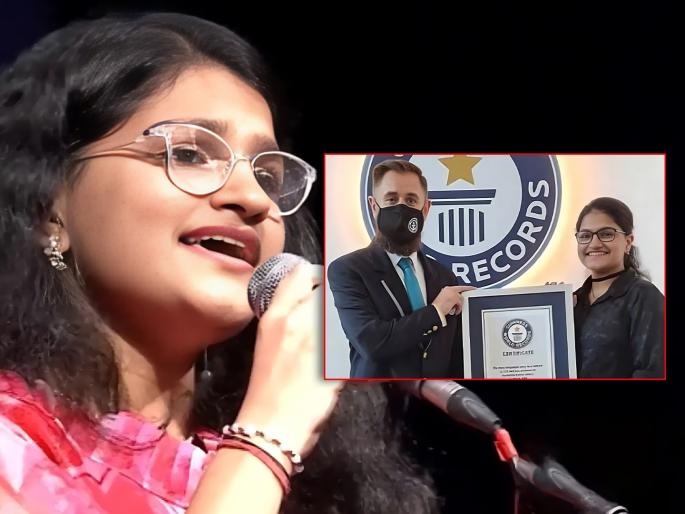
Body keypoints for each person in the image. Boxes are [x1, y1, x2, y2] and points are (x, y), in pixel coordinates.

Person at [0, 13, 440, 513]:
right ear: (49, 206)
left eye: (268, 177)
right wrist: (266, 438)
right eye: (190, 154)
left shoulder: (314, 483)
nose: (253, 198)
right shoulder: (13, 453)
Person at [327, 159, 474, 378]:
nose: (401, 208)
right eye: (391, 199)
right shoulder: (348, 270)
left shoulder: (445, 277)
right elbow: (372, 343)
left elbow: (455, 356)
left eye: (411, 200)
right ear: (374, 206)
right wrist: (436, 311)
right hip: (380, 397)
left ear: (425, 209)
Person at [573, 197, 664, 378]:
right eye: (585, 236)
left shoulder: (643, 296)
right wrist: (552, 311)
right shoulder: (573, 302)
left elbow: (653, 371)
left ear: (628, 242)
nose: (594, 243)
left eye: (606, 234)